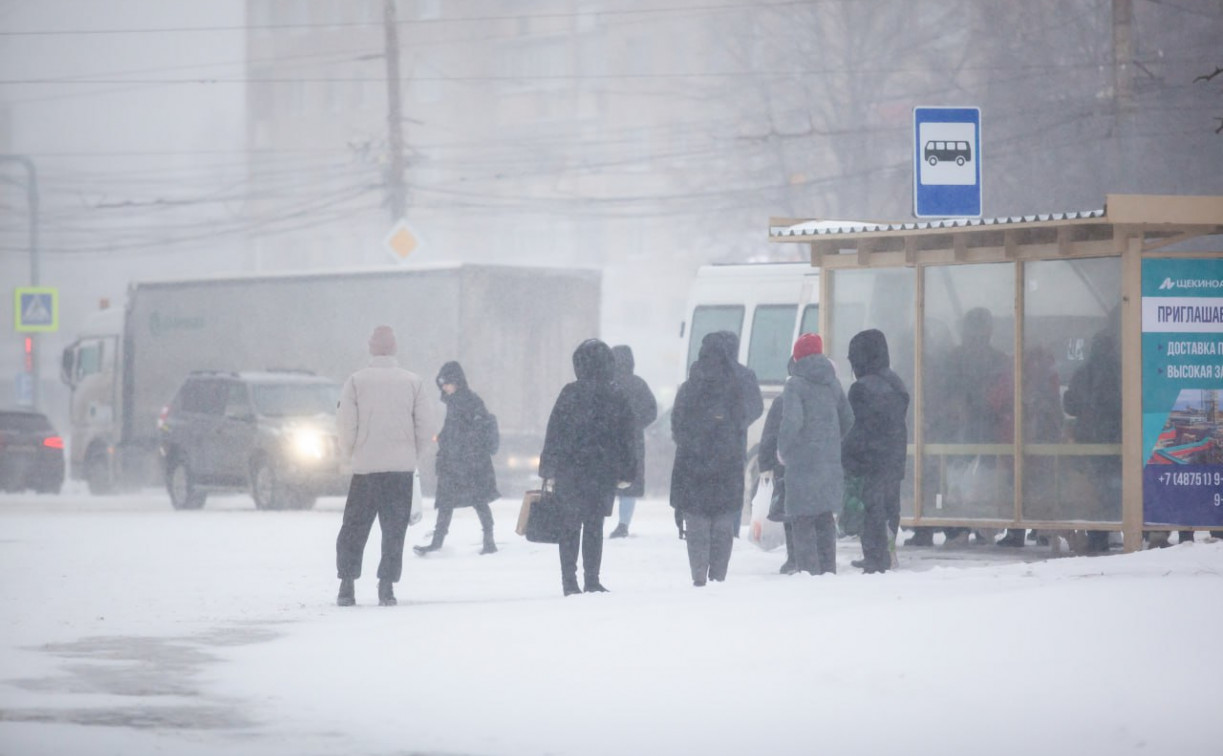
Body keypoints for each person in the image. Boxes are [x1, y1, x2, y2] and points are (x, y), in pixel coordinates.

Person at [335, 325, 434, 607]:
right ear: (395, 349)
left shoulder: (356, 381)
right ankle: (386, 585)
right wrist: (412, 452)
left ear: (371, 348)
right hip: (400, 470)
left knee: (354, 527)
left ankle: (347, 584)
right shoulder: (412, 382)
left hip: (366, 468)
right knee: (394, 529)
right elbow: (425, 425)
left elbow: (345, 424)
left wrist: (351, 451)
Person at [538, 339, 636, 596]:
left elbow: (554, 432)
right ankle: (592, 579)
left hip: (570, 470)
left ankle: (569, 581)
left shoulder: (569, 393)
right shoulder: (615, 394)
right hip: (602, 471)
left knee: (569, 526)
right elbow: (627, 436)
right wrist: (627, 470)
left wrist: (548, 467)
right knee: (595, 526)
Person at [670, 333, 747, 586]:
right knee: (723, 524)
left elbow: (677, 427)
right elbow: (741, 424)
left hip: (693, 466)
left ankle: (699, 576)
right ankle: (718, 576)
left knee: (697, 523)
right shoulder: (735, 387)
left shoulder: (689, 387)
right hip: (726, 467)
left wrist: (694, 443)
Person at [777, 334, 853, 575]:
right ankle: (828, 570)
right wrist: (831, 442)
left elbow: (792, 421)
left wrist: (783, 450)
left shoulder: (795, 385)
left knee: (802, 519)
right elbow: (848, 418)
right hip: (828, 462)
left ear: (797, 356)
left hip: (802, 464)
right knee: (824, 518)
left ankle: (809, 573)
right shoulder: (833, 382)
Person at [413, 361, 500, 557]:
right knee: (450, 502)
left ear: (457, 381)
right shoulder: (456, 402)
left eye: (447, 383)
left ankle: (488, 540)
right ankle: (439, 541)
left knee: (477, 501)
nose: (444, 387)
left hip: (469, 463)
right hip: (457, 462)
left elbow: (473, 432)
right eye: (442, 384)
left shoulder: (469, 401)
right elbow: (454, 431)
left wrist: (456, 448)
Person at [842, 329, 910, 574]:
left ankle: (875, 556)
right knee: (891, 508)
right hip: (894, 456)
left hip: (871, 459)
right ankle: (888, 553)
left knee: (871, 509)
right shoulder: (895, 381)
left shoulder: (862, 388)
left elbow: (858, 428)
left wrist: (848, 456)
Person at [1063, 325, 1121, 554]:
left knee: (1098, 489)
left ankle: (1099, 533)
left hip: (1097, 439)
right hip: (1110, 439)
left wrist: (1087, 410)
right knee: (1105, 489)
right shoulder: (1119, 371)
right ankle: (1104, 531)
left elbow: (1070, 404)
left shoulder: (1085, 372)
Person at [702, 330, 764, 536]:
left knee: (709, 482)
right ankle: (731, 528)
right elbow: (756, 407)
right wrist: (740, 422)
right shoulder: (746, 374)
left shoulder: (706, 374)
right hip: (735, 441)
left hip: (707, 441)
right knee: (734, 484)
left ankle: (711, 524)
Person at [608, 345, 658, 539]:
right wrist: (637, 425)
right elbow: (652, 411)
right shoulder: (638, 384)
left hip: (607, 442)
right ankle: (623, 524)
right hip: (632, 441)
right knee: (629, 484)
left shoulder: (607, 384)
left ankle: (597, 519)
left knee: (604, 482)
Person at [756, 396, 794, 573]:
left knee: (791, 510)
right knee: (820, 512)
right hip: (824, 462)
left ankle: (794, 557)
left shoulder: (785, 399)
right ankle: (823, 558)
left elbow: (771, 433)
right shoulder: (832, 392)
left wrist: (765, 462)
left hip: (789, 462)